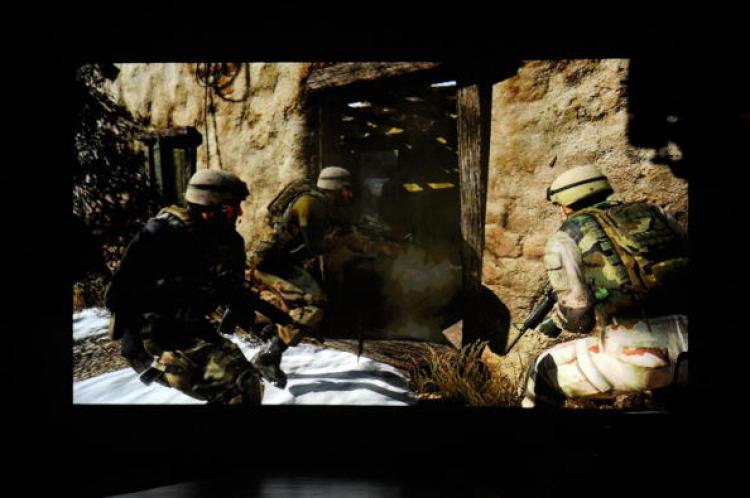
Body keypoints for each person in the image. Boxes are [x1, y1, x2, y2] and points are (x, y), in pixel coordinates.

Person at [105, 169, 287, 405]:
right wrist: (180, 291)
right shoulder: (162, 233)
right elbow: (117, 295)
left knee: (246, 383)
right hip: (152, 335)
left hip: (190, 329)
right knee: (237, 388)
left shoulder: (229, 241)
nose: (240, 213)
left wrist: (260, 322)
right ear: (212, 206)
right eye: (233, 206)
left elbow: (232, 292)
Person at [522, 164, 689, 408]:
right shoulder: (655, 213)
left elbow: (579, 320)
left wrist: (555, 323)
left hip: (637, 356)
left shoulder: (564, 238)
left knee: (541, 373)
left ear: (566, 204)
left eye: (559, 206)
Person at [249, 166, 354, 388]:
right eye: (346, 189)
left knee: (302, 302)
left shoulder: (317, 202)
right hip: (272, 263)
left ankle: (263, 332)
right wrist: (344, 240)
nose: (349, 194)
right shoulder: (311, 203)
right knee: (314, 305)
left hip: (279, 261)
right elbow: (316, 246)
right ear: (335, 187)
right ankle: (268, 356)